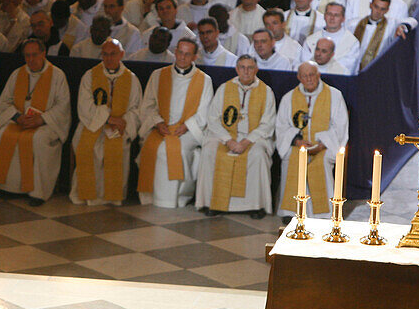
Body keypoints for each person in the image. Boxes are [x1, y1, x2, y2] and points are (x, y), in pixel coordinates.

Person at [0, 38, 71, 206]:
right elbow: (4, 102)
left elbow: (62, 107)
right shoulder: (18, 74)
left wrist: (41, 119)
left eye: (34, 55)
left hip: (45, 125)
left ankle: (37, 192)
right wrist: (17, 117)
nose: (30, 60)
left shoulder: (57, 76)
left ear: (43, 54)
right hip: (19, 122)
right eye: (27, 56)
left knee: (36, 140)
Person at [195, 55, 276, 218]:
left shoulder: (266, 91)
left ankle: (255, 206)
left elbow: (267, 123)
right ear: (237, 69)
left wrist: (245, 142)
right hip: (225, 137)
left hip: (253, 138)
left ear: (256, 69)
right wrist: (229, 141)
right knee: (210, 150)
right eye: (242, 67)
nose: (246, 71)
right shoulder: (224, 89)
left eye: (250, 67)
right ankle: (212, 202)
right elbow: (213, 119)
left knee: (258, 155)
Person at [137, 39, 214, 207]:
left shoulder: (204, 80)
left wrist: (186, 125)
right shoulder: (158, 75)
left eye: (187, 54)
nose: (182, 58)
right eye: (180, 52)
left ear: (194, 56)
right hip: (161, 128)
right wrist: (157, 122)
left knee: (170, 150)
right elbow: (147, 105)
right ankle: (153, 196)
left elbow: (205, 112)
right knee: (153, 147)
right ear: (175, 51)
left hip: (188, 130)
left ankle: (177, 198)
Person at [70, 39, 142, 205]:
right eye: (105, 54)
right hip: (92, 124)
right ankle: (88, 195)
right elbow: (84, 106)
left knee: (116, 147)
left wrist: (124, 121)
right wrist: (107, 118)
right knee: (89, 147)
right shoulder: (90, 76)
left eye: (113, 54)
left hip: (120, 127)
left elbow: (136, 109)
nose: (109, 59)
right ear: (101, 55)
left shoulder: (131, 79)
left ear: (122, 54)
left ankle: (113, 196)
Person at [276, 61, 349, 218]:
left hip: (325, 146)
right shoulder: (289, 98)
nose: (308, 79)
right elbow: (281, 127)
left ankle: (323, 213)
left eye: (311, 75)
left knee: (321, 163)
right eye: (304, 76)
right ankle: (291, 211)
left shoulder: (334, 95)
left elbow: (340, 126)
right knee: (291, 159)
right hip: (299, 146)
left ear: (318, 75)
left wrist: (322, 144)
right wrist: (297, 142)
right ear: (299, 77)